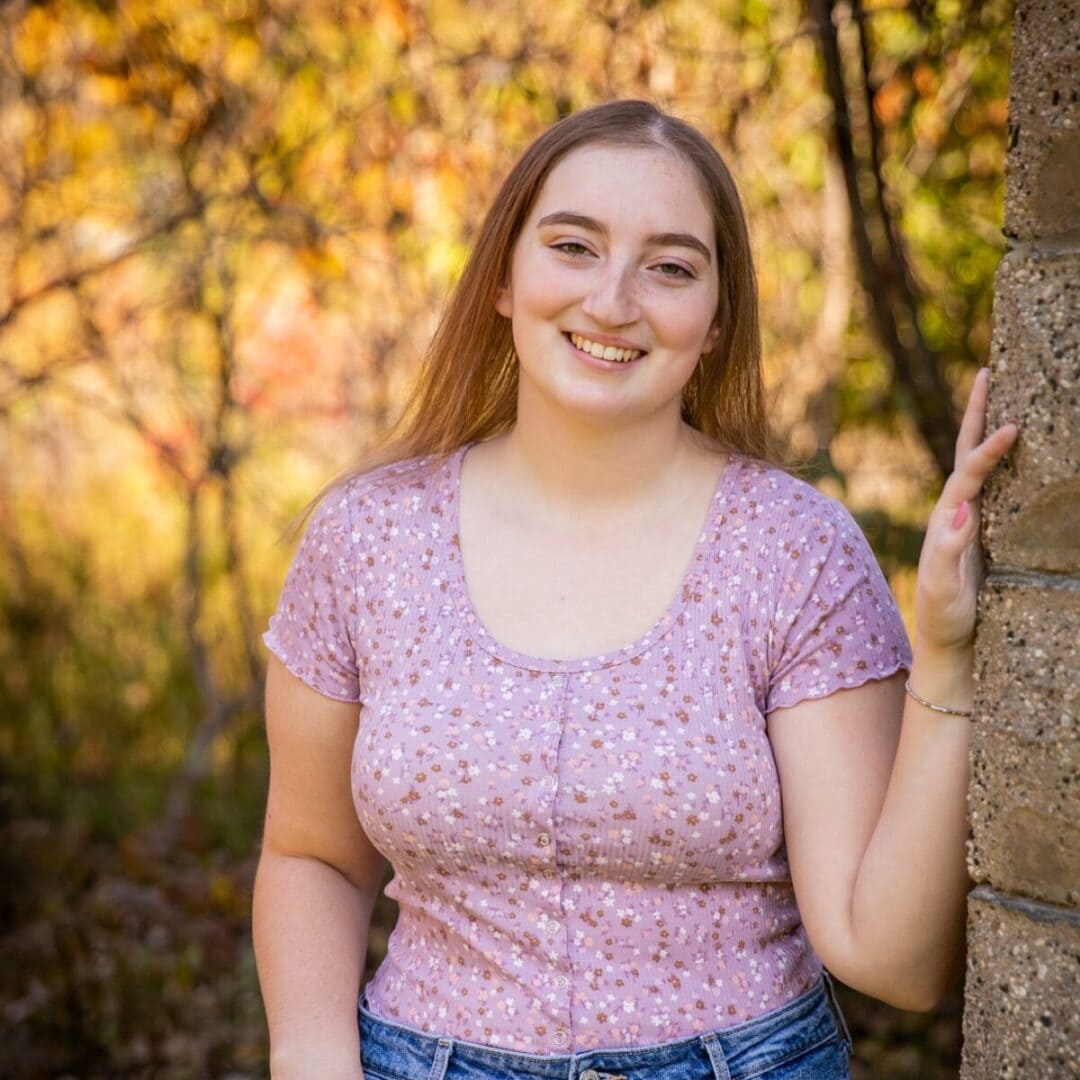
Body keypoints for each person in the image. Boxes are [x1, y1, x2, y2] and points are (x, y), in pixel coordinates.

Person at [253, 100, 1019, 1080]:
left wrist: (951, 658)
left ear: (714, 318)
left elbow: (893, 959)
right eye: (574, 246)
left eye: (669, 266)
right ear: (503, 275)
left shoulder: (795, 550)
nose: (615, 301)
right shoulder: (369, 539)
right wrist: (310, 1060)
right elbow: (313, 854)